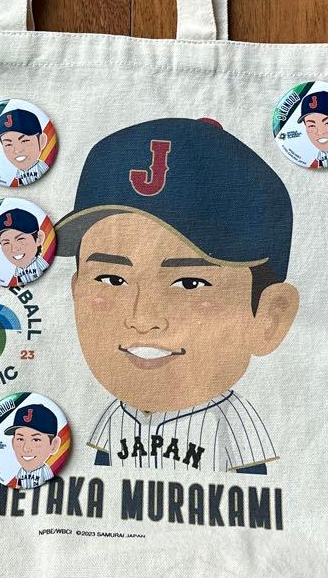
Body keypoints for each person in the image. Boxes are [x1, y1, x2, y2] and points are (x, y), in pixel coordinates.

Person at [56, 118, 300, 474]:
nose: (143, 318)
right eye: (112, 279)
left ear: (269, 319)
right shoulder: (112, 418)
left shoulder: (231, 425)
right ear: (76, 291)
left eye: (189, 283)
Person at [4, 402, 62, 488]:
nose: (26, 448)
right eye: (20, 439)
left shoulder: (46, 472)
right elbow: (19, 486)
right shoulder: (21, 472)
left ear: (54, 445)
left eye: (36, 440)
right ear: (13, 442)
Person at [0, 207, 49, 285]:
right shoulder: (16, 273)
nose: (14, 249)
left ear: (39, 238)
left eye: (20, 239)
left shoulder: (43, 267)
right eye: (6, 243)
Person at [0, 109, 50, 185]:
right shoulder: (18, 173)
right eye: (8, 144)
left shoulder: (42, 168)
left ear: (42, 141)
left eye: (25, 141)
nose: (17, 150)